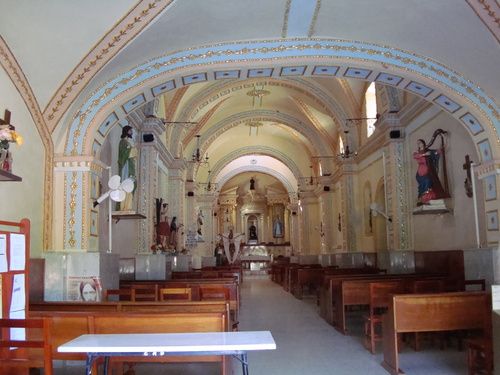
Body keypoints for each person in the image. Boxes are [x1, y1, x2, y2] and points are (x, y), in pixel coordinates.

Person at [413, 138, 447, 205]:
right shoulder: (416, 152)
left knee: (428, 181)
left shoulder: (428, 151)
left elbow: (436, 153)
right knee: (423, 184)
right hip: (420, 172)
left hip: (428, 170)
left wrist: (442, 148)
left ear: (423, 143)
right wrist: (424, 154)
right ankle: (423, 198)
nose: (419, 144)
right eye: (418, 143)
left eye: (420, 142)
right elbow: (416, 156)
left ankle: (426, 198)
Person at [117, 125, 137, 211]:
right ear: (126, 131)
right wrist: (132, 150)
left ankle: (128, 206)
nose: (131, 132)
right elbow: (123, 155)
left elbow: (132, 153)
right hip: (126, 167)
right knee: (126, 184)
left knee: (132, 184)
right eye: (130, 131)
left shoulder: (128, 143)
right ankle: (123, 206)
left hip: (131, 166)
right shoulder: (123, 142)